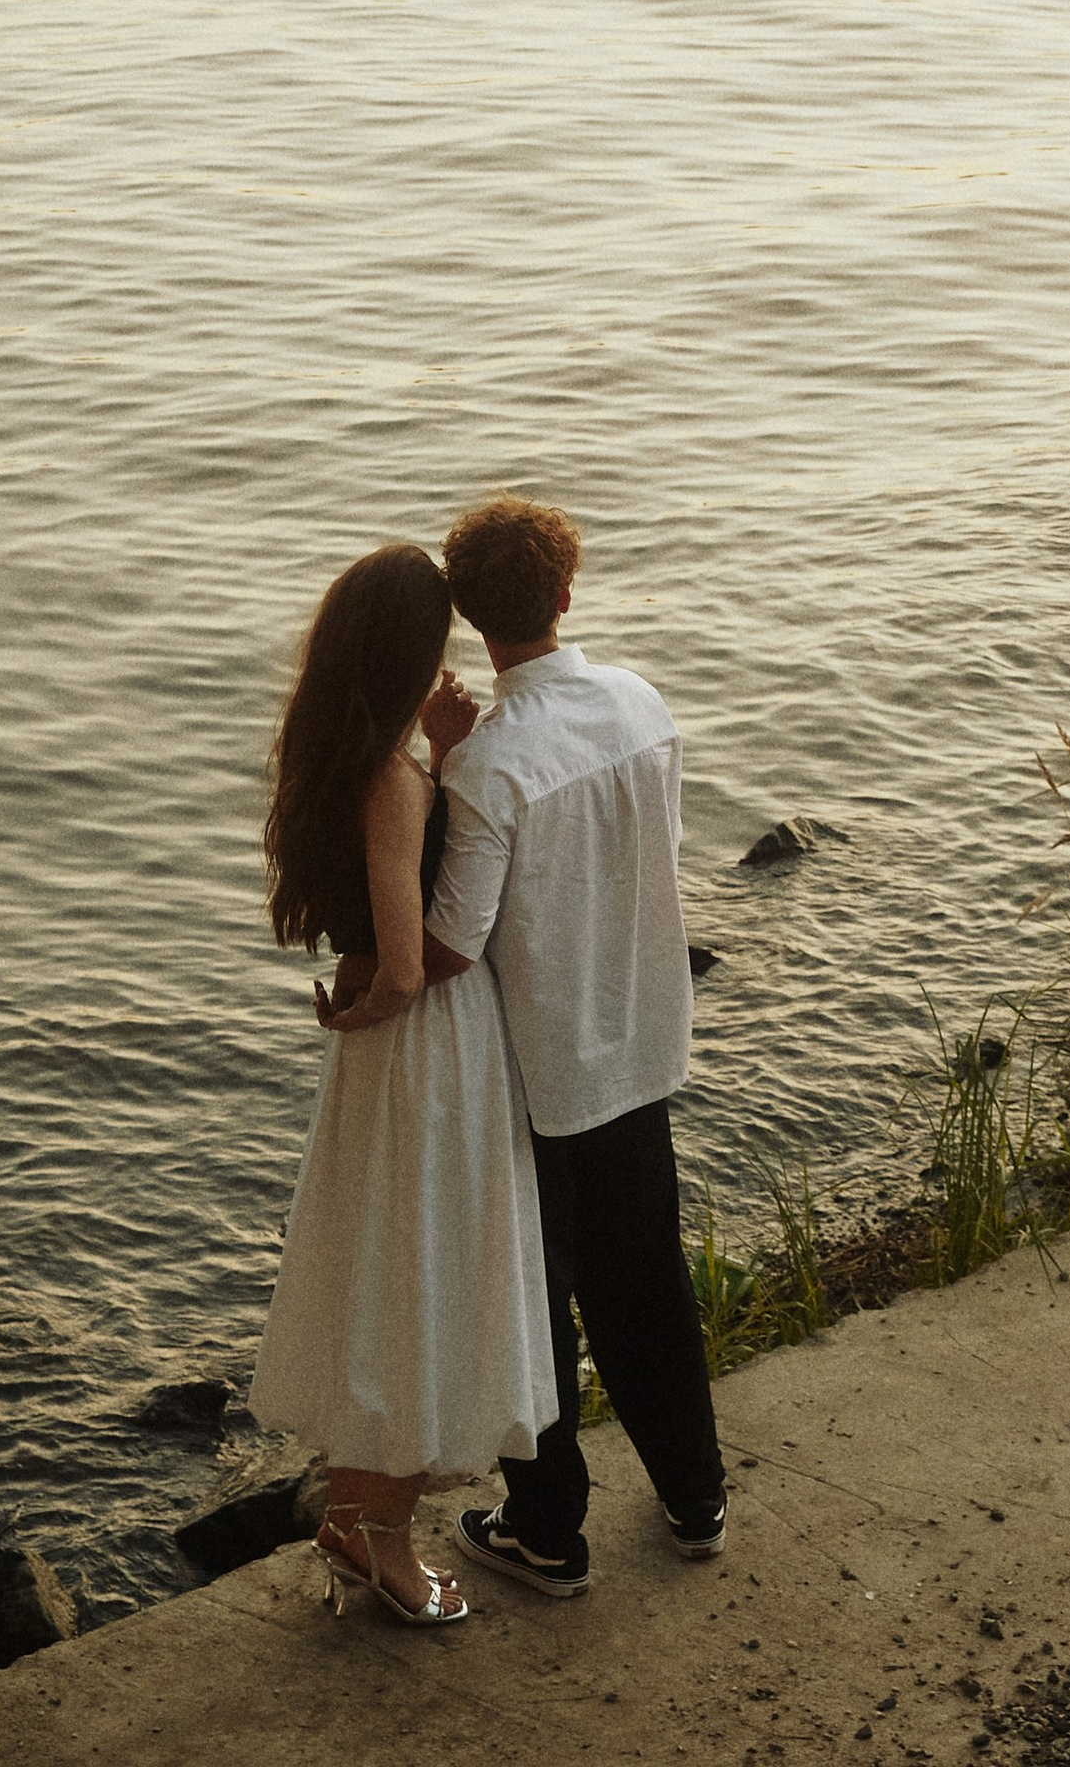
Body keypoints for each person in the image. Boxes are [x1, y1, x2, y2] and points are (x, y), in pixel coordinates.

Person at [422, 494, 725, 1595]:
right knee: (645, 1284)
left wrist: (438, 766)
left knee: (529, 1298)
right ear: (564, 593)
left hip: (542, 1076)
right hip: (640, 1043)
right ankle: (696, 1500)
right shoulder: (640, 704)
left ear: (468, 616)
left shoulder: (487, 765)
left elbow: (453, 943)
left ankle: (548, 1530)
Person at [248, 541, 551, 1629]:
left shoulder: (337, 751)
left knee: (382, 1278)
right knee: (433, 1282)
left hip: (379, 1066)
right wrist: (375, 1000)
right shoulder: (391, 779)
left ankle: (354, 1515)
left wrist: (437, 753)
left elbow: (369, 918)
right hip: (431, 1049)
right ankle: (379, 1535)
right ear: (413, 651)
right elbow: (411, 957)